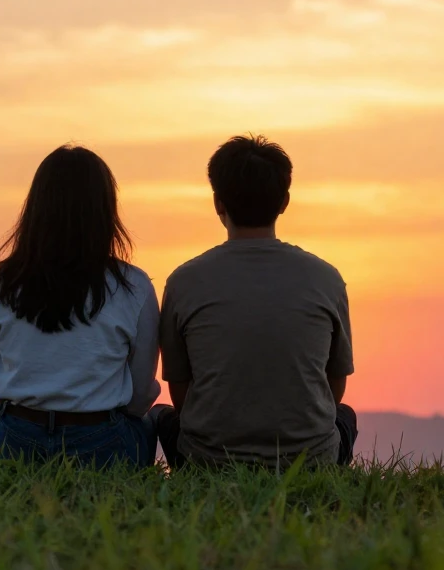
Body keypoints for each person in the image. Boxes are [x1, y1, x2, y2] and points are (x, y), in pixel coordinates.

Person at [153, 135, 358, 468]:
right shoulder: (326, 279)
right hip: (307, 461)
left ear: (218, 202)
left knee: (161, 416)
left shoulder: (184, 282)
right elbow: (334, 388)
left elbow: (180, 394)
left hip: (209, 461)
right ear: (284, 202)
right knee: (344, 416)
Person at [0, 145, 161, 467]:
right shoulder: (133, 286)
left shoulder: (3, 283)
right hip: (99, 440)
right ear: (106, 211)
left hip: (16, 436)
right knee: (149, 423)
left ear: (35, 208)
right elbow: (139, 395)